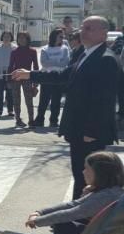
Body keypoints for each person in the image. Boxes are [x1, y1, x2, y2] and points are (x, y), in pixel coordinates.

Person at [13, 16, 119, 199]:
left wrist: (92, 130)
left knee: (89, 177)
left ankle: (81, 220)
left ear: (103, 33)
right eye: (83, 28)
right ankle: (77, 215)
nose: (82, 32)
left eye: (89, 29)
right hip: (78, 127)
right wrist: (30, 75)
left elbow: (104, 99)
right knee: (81, 174)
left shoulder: (106, 59)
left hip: (89, 131)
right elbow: (62, 75)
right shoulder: (85, 54)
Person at [34, 29, 70, 127]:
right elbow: (44, 62)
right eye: (60, 37)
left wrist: (52, 62)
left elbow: (65, 62)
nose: (62, 39)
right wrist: (57, 62)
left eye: (63, 37)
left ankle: (54, 120)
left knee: (56, 101)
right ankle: (39, 119)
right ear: (54, 37)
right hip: (46, 76)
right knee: (43, 100)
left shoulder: (65, 48)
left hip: (59, 76)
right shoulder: (45, 49)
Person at [7, 31, 39, 128]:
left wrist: (35, 81)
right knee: (16, 100)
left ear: (27, 39)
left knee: (29, 100)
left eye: (24, 38)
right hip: (16, 77)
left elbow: (36, 66)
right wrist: (9, 80)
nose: (21, 40)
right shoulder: (14, 52)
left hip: (27, 77)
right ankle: (18, 119)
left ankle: (31, 120)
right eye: (19, 38)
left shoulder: (33, 51)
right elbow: (10, 66)